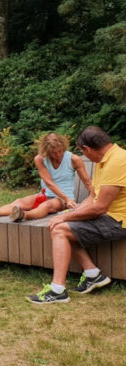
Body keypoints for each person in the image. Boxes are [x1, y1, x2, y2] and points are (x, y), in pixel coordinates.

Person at [27, 126, 126, 304]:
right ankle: (92, 274)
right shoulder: (105, 160)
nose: (84, 156)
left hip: (119, 221)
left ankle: (58, 290)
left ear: (87, 149)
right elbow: (93, 197)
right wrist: (74, 212)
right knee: (63, 226)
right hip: (110, 215)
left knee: (60, 229)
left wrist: (64, 217)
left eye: (83, 152)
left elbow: (99, 208)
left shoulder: (117, 162)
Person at [0, 133, 94, 222]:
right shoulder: (40, 159)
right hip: (44, 194)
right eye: (54, 153)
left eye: (60, 151)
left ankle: (23, 215)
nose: (58, 154)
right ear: (47, 151)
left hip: (63, 199)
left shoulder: (73, 159)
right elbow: (49, 183)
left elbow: (87, 182)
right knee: (20, 202)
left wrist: (94, 198)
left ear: (64, 147)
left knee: (46, 206)